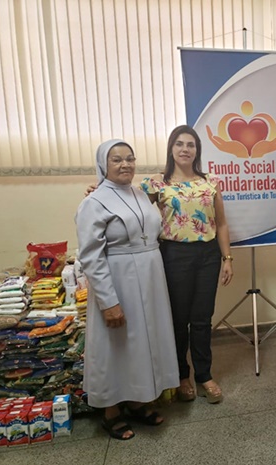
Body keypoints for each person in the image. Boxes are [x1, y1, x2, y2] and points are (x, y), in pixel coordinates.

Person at [75, 139, 180, 440]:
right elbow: (91, 256)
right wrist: (108, 301)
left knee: (142, 341)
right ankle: (111, 411)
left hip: (149, 278)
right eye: (117, 159)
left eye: (130, 159)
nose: (125, 164)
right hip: (118, 279)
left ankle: (136, 400)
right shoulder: (94, 203)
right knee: (117, 343)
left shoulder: (139, 193)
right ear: (103, 165)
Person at [141, 125, 233, 404]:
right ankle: (182, 374)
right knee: (179, 320)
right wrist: (97, 190)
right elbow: (131, 208)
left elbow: (222, 223)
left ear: (197, 150)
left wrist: (227, 258)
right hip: (174, 254)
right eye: (179, 144)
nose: (185, 149)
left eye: (190, 144)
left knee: (202, 319)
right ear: (171, 148)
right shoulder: (157, 184)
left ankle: (204, 375)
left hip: (208, 255)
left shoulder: (210, 182)